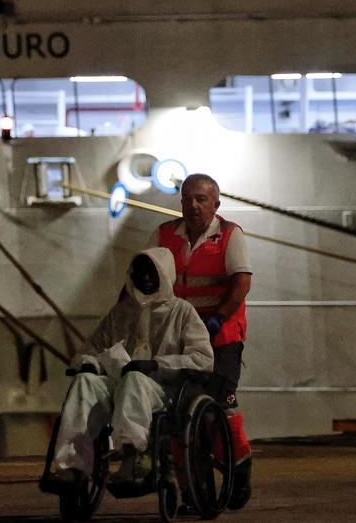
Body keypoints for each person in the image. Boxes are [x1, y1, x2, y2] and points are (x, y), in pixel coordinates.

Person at [49, 247, 212, 485]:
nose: (145, 278)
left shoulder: (182, 312)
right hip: (119, 384)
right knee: (85, 381)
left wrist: (156, 364)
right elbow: (89, 351)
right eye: (140, 272)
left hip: (163, 390)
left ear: (164, 275)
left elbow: (202, 359)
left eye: (152, 272)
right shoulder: (121, 313)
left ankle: (135, 455)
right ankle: (73, 465)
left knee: (134, 379)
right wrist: (90, 364)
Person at [146, 173, 254, 509]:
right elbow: (144, 276)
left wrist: (219, 316)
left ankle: (239, 472)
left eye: (201, 199)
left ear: (215, 204)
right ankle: (193, 490)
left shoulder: (229, 235)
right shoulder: (164, 235)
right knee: (177, 414)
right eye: (187, 199)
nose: (193, 205)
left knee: (219, 409)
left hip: (221, 339)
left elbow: (241, 283)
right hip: (178, 340)